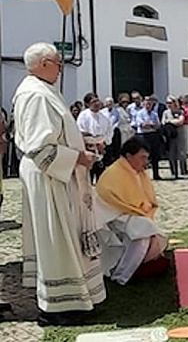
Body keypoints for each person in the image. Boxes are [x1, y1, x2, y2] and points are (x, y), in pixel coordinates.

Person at [13, 42, 105, 325]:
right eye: (57, 62)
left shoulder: (44, 90)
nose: (61, 68)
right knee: (57, 241)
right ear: (42, 64)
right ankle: (59, 307)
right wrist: (80, 157)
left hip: (58, 176)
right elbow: (41, 148)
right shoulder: (35, 95)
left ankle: (76, 298)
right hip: (50, 178)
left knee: (66, 239)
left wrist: (83, 145)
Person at [95, 137, 168, 285]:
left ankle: (137, 266)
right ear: (129, 156)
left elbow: (145, 197)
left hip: (132, 214)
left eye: (147, 158)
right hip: (113, 217)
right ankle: (121, 275)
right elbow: (109, 200)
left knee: (144, 229)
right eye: (142, 158)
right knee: (142, 232)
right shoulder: (114, 172)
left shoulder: (138, 172)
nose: (145, 162)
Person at [77, 93, 114, 184]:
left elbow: (110, 131)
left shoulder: (104, 116)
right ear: (88, 104)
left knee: (101, 177)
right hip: (89, 149)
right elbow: (80, 131)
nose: (96, 103)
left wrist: (104, 143)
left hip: (102, 148)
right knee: (88, 178)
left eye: (97, 100)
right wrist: (93, 144)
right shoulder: (83, 116)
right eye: (93, 102)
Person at [134, 97, 162, 180]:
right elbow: (142, 125)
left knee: (155, 155)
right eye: (147, 104)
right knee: (143, 156)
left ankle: (156, 174)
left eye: (150, 104)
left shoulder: (154, 114)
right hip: (143, 136)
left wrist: (150, 125)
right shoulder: (140, 113)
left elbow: (158, 125)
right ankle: (142, 175)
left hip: (153, 135)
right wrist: (151, 125)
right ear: (144, 104)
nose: (148, 105)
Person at [161, 95, 185, 179]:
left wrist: (170, 122)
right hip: (169, 135)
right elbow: (163, 122)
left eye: (170, 103)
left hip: (179, 134)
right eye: (167, 103)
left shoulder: (180, 111)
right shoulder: (165, 112)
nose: (168, 104)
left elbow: (180, 121)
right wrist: (173, 122)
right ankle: (173, 171)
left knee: (181, 152)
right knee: (171, 154)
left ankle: (183, 170)